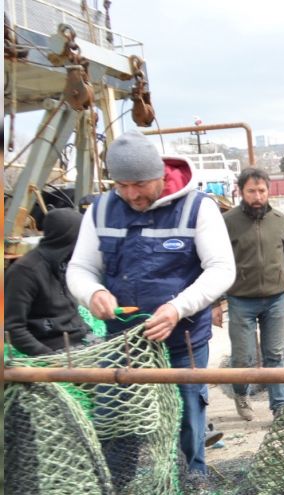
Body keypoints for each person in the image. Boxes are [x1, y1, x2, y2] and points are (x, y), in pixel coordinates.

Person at [67, 130, 235, 476]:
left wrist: (177, 308)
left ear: (159, 174)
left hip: (182, 342)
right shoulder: (99, 211)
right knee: (118, 421)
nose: (131, 194)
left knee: (188, 418)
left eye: (140, 184)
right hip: (122, 344)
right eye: (122, 185)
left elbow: (222, 270)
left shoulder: (197, 208)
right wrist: (92, 293)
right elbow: (80, 268)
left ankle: (192, 480)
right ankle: (123, 484)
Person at [212, 167, 284, 421]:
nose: (257, 196)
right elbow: (215, 263)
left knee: (275, 355)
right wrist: (215, 303)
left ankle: (280, 408)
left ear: (268, 191)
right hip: (241, 300)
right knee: (243, 358)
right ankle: (241, 394)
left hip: (275, 299)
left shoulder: (278, 219)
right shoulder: (228, 222)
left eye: (261, 191)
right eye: (251, 191)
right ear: (241, 192)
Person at [5, 207, 92, 356]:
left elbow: (70, 312)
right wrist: (48, 358)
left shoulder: (63, 263)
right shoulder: (25, 272)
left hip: (79, 341)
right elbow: (12, 328)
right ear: (67, 239)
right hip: (53, 347)